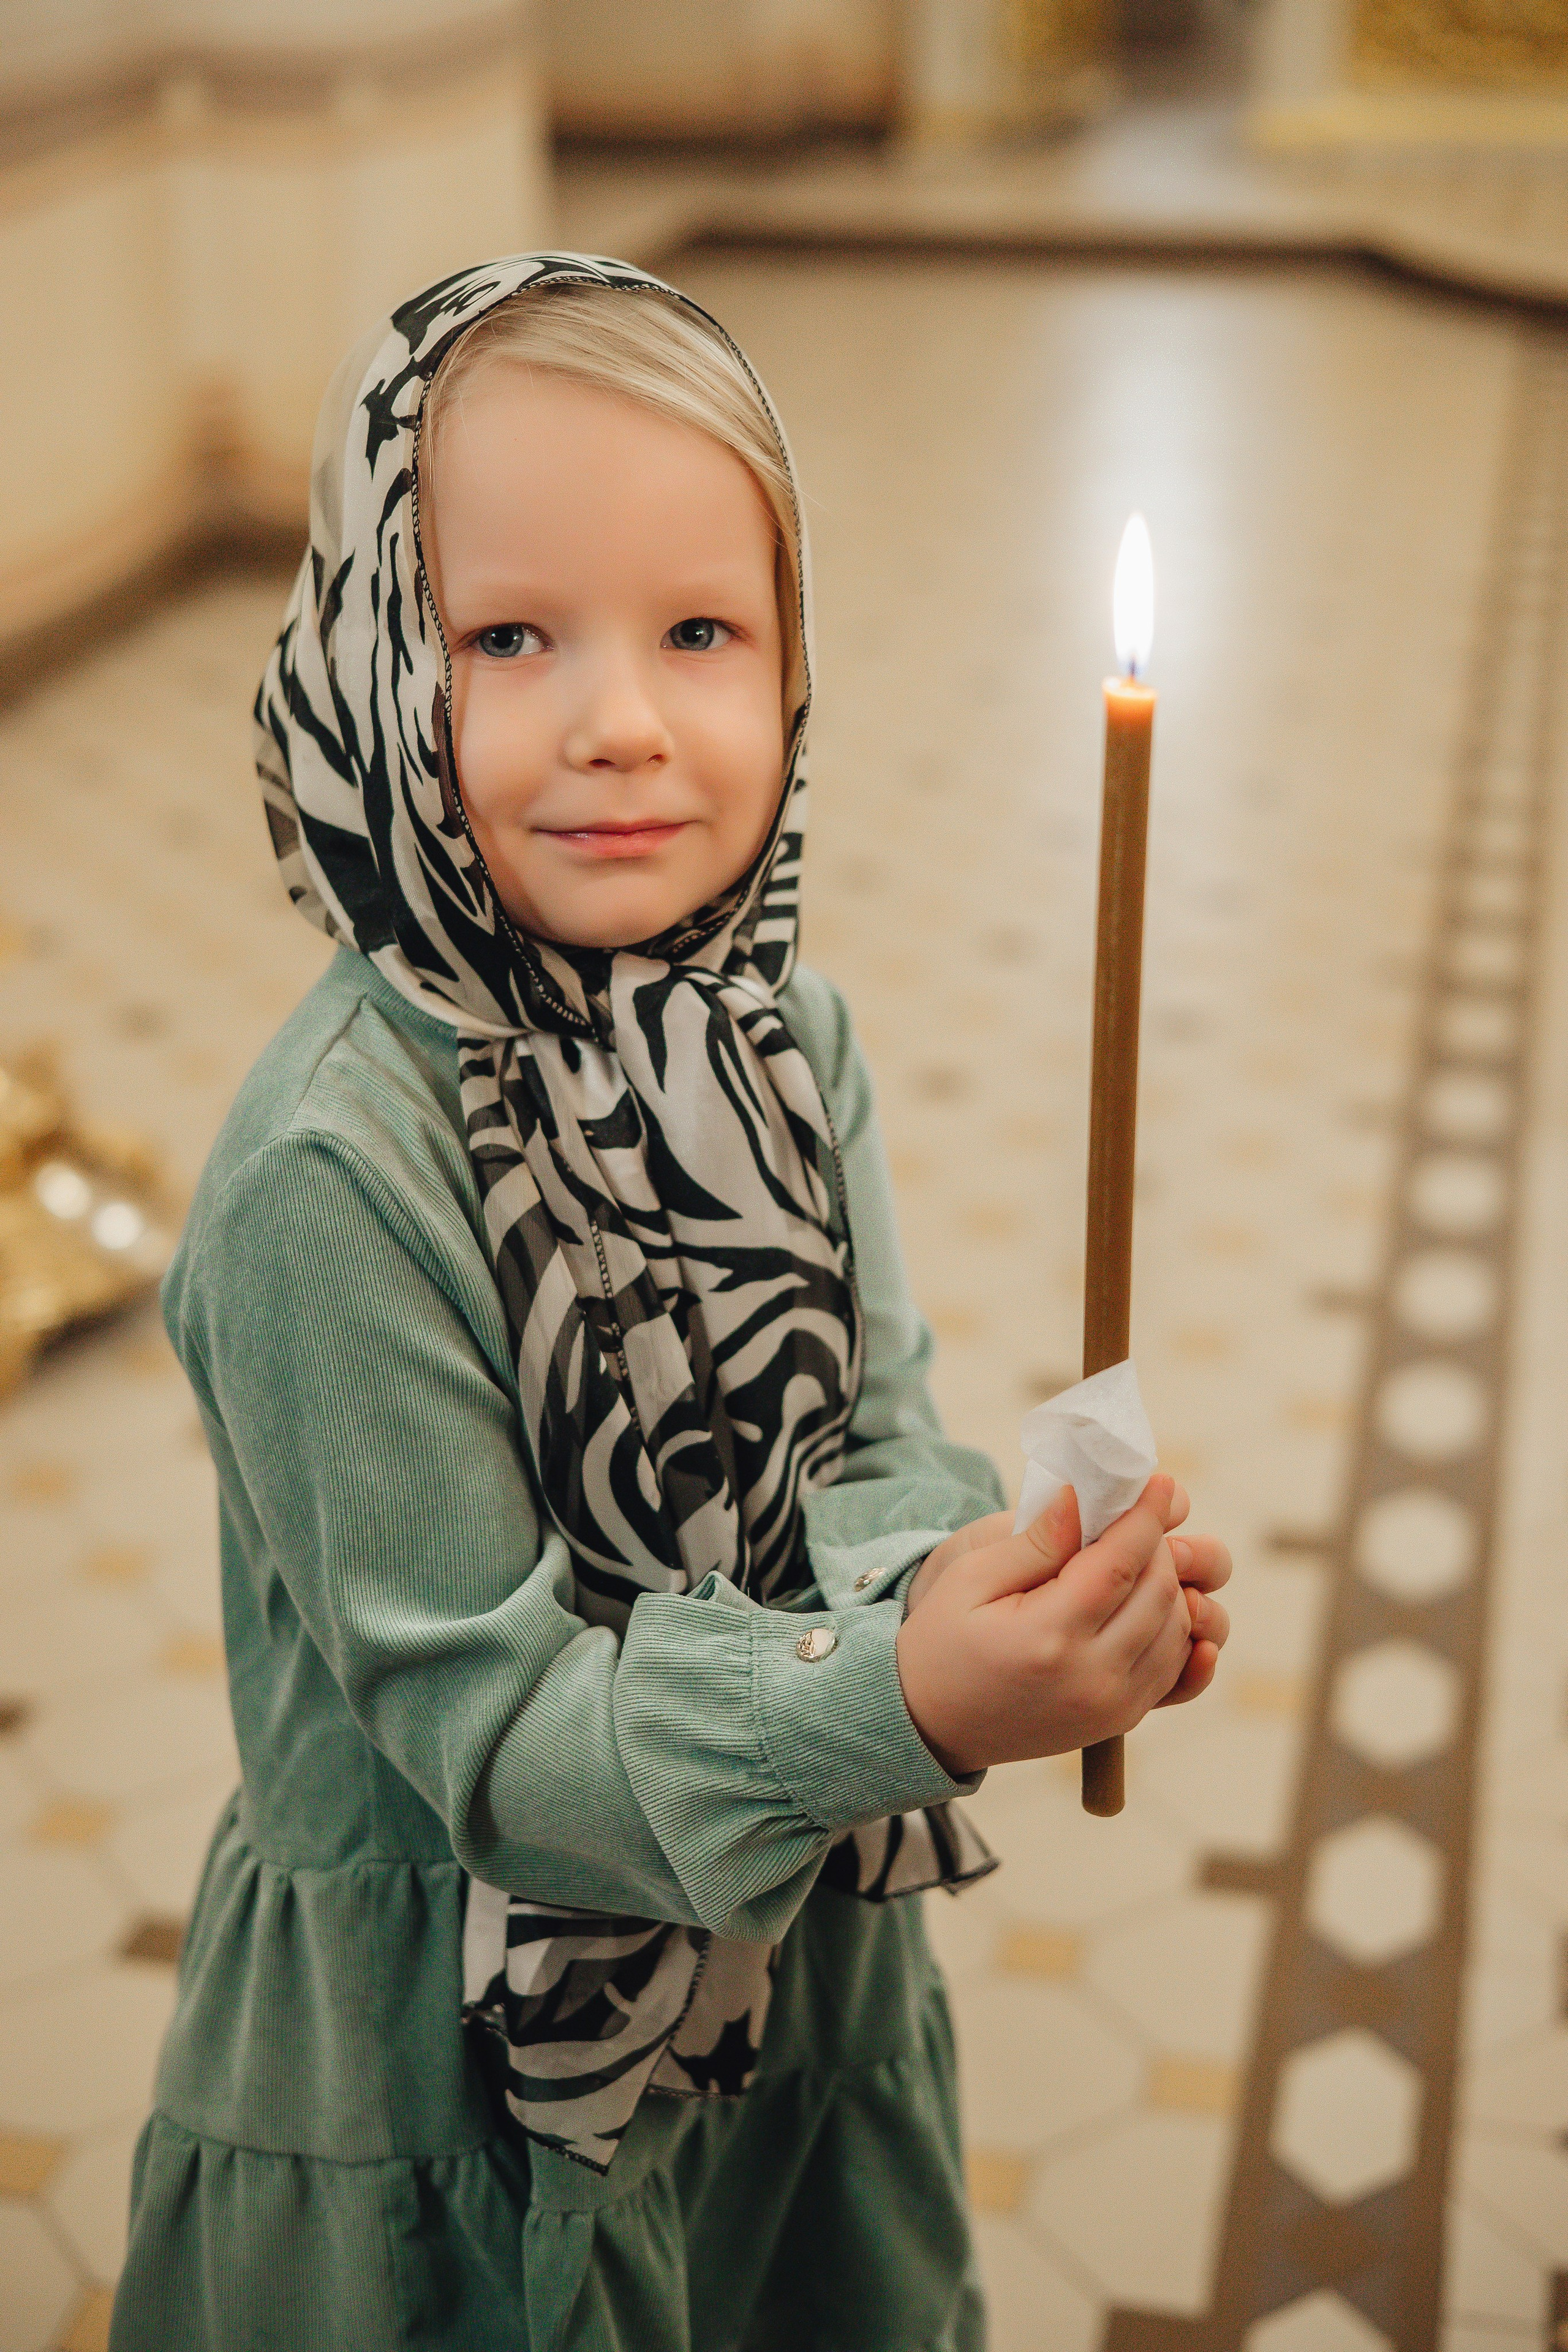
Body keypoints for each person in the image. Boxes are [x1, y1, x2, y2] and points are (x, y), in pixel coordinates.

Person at [111, 255, 1231, 2352]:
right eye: (506, 635)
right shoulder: (328, 1179)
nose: (619, 719)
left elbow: (870, 1436)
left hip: (788, 1980)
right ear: (372, 667)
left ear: (796, 667)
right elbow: (504, 1742)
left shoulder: (785, 1036)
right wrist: (897, 1704)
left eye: (700, 632)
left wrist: (982, 1597)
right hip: (455, 2076)